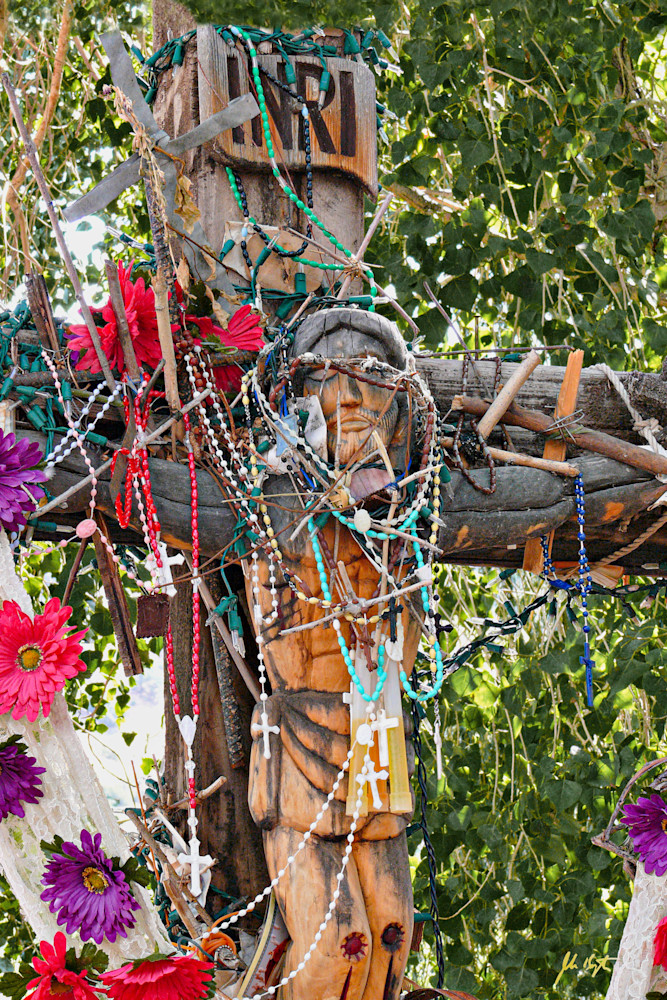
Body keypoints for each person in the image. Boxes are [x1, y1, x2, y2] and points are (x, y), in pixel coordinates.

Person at [245, 309, 426, 1000]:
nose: (349, 395)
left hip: (378, 739)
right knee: (331, 949)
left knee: (388, 935)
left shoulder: (410, 516)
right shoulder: (265, 501)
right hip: (299, 748)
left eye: (371, 375)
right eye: (326, 374)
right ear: (296, 398)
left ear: (399, 399)